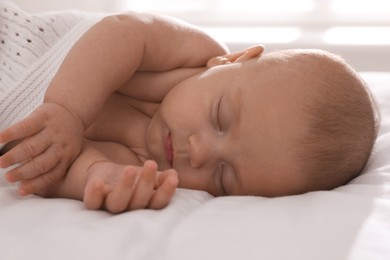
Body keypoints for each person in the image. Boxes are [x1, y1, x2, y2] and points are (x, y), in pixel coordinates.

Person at [0, 3, 378, 213]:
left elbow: (56, 167)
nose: (198, 152)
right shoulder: (196, 54)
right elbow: (125, 31)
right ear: (234, 60)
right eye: (220, 118)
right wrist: (67, 109)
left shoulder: (151, 165)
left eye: (223, 177)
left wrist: (99, 178)